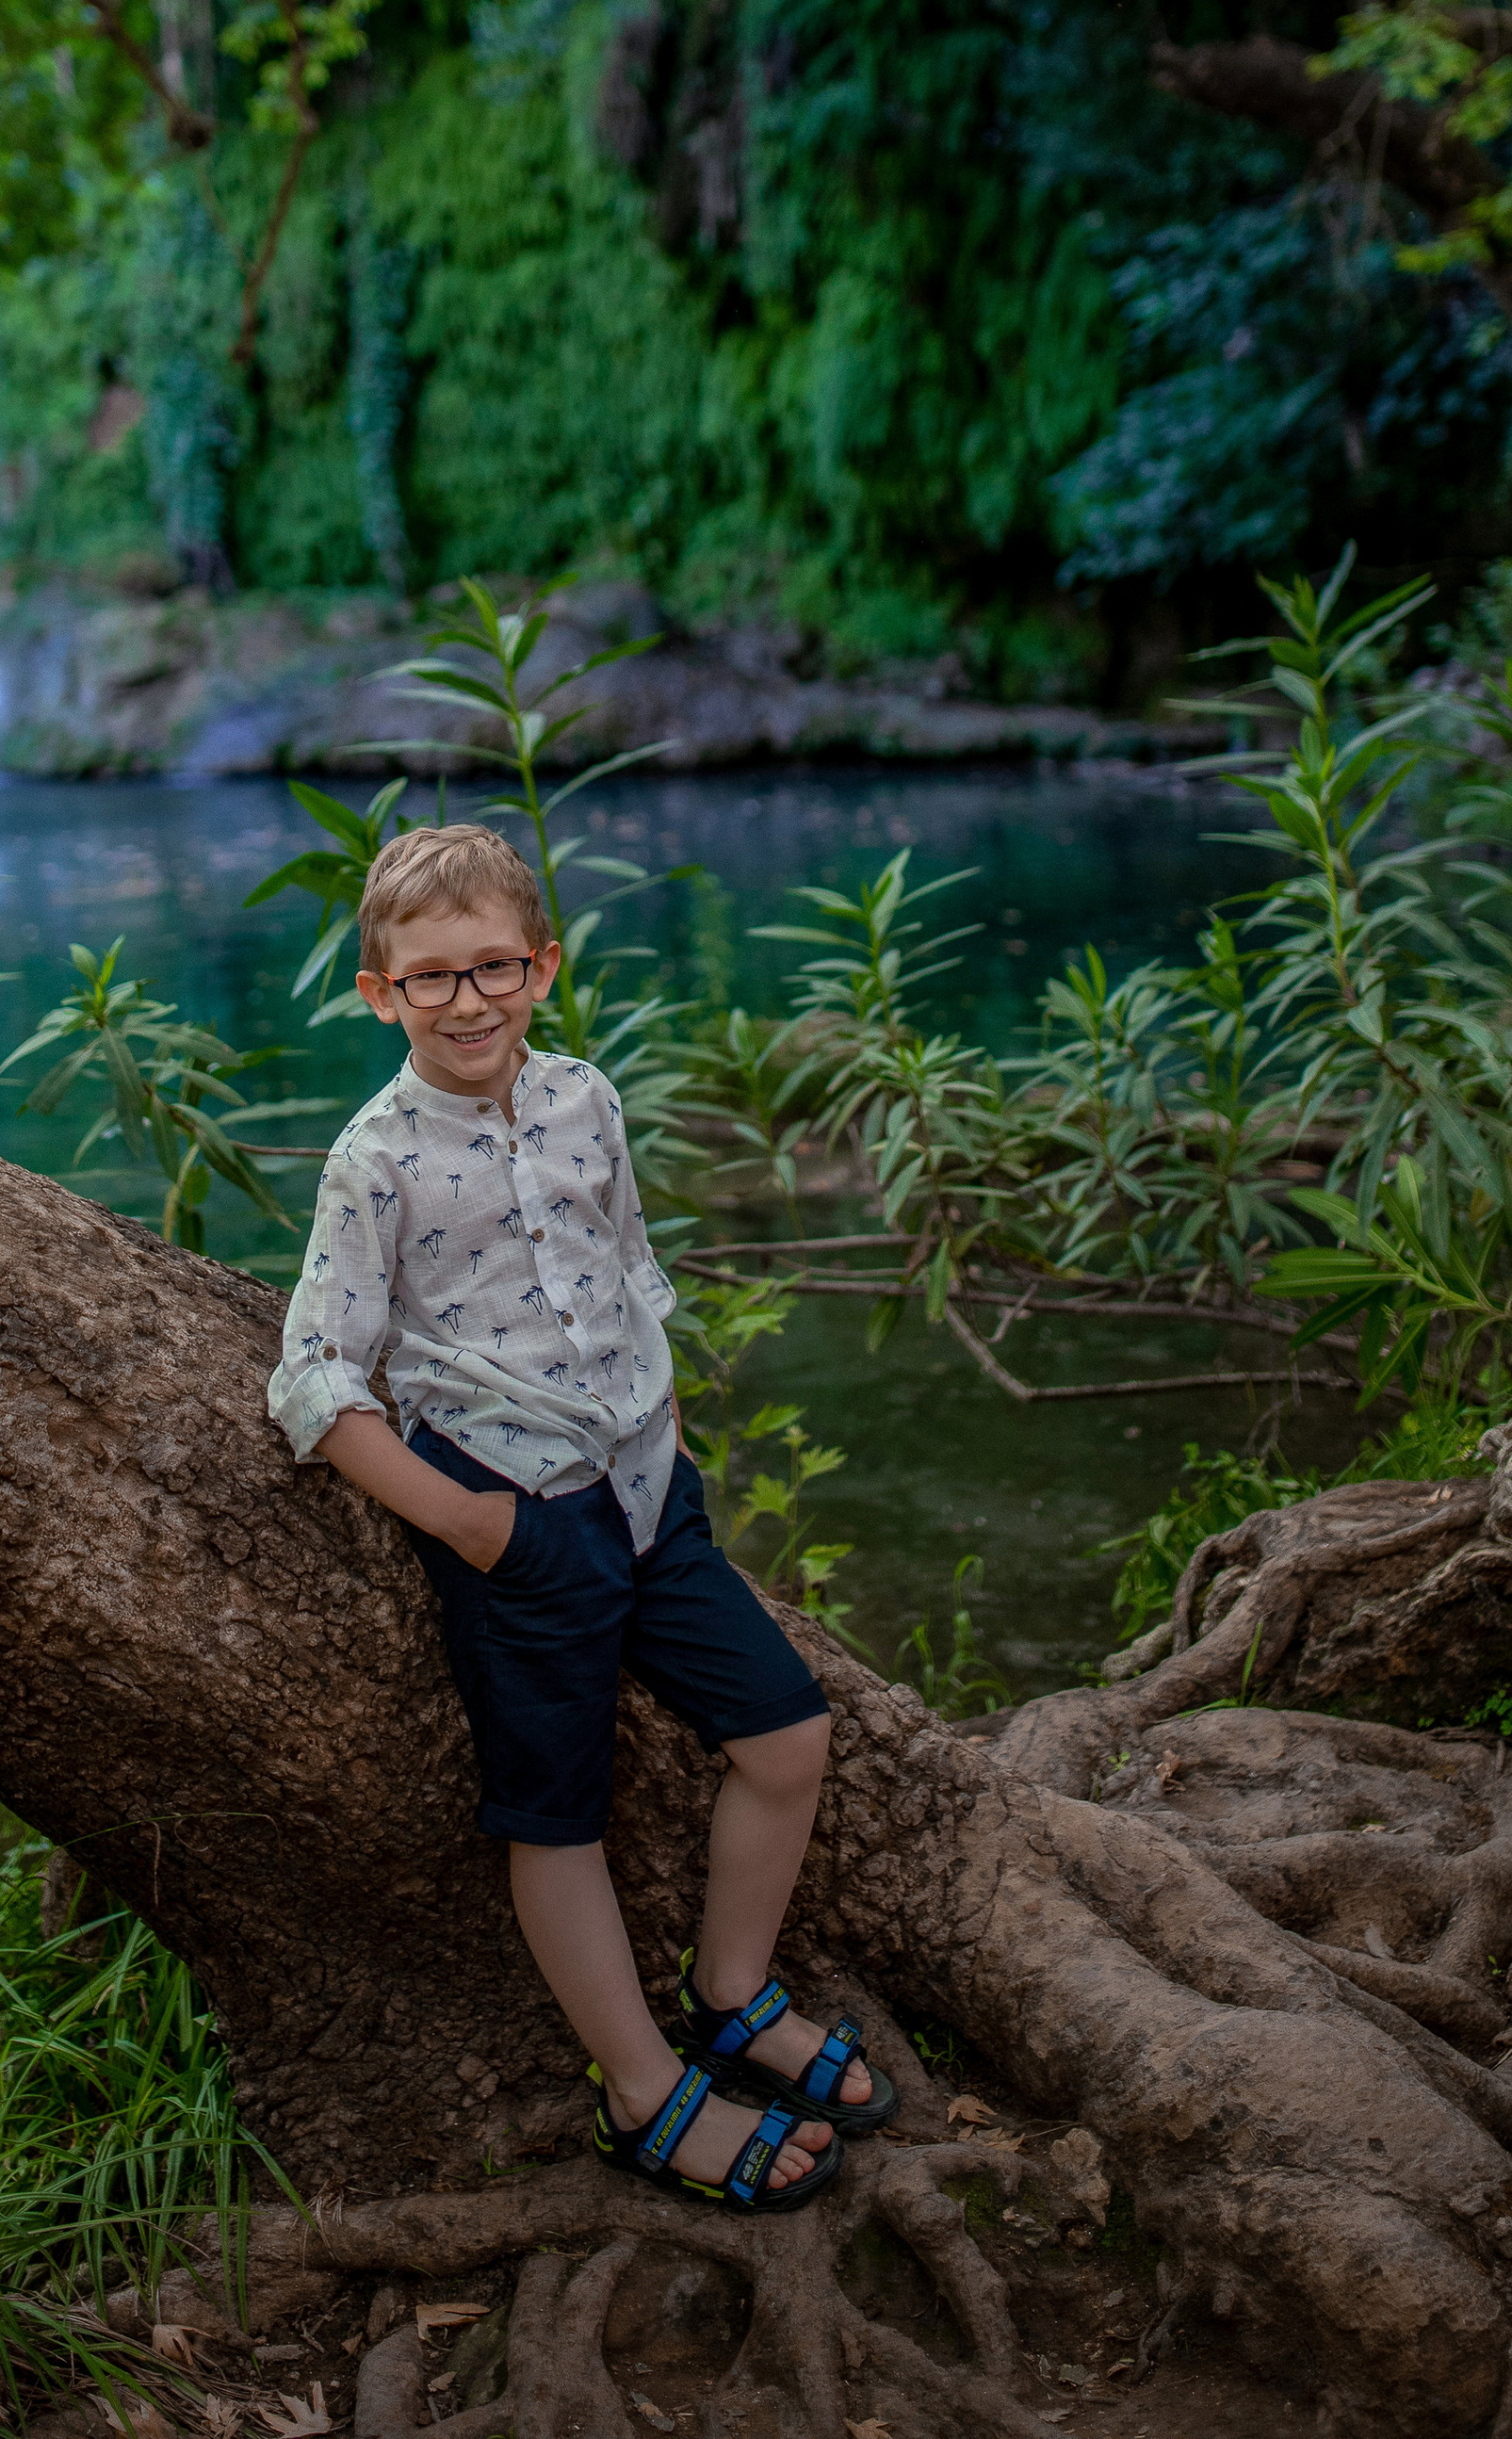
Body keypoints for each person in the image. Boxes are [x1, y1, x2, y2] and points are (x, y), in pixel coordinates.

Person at [268, 820, 896, 2215]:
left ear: (542, 967)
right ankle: (639, 2089)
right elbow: (314, 1380)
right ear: (380, 994)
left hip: (649, 1493)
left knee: (788, 1736)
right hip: (521, 1531)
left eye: (494, 966)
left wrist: (661, 1434)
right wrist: (479, 1529)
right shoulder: (374, 1162)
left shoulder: (586, 1101)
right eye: (430, 978)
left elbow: (625, 1269)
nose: (468, 1000)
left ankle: (730, 1990)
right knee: (558, 1820)